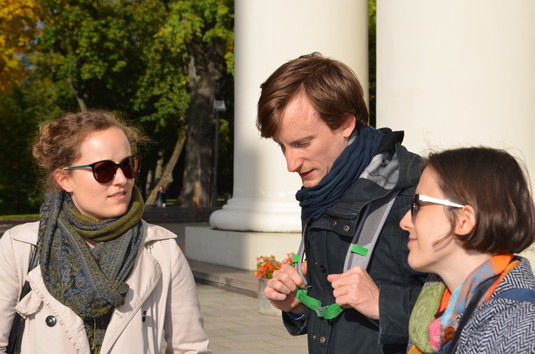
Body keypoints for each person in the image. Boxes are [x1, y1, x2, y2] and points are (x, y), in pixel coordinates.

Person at [256, 52, 427, 353]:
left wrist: (381, 304)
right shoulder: (321, 191)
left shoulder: (417, 193)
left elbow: (466, 309)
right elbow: (336, 314)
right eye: (281, 146)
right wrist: (296, 307)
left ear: (345, 125)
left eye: (302, 143)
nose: (290, 163)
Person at [0, 111, 211, 353]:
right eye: (104, 169)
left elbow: (191, 348)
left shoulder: (161, 249)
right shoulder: (22, 246)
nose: (121, 179)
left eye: (127, 165)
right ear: (64, 179)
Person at [400, 147, 535, 353]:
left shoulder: (521, 325)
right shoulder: (434, 309)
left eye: (417, 206)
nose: (405, 222)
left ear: (464, 220)